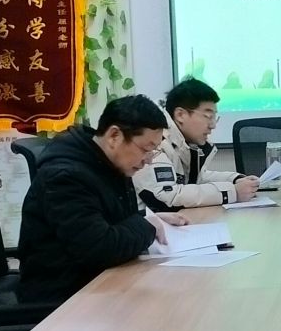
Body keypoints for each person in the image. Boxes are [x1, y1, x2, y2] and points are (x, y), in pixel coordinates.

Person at [18, 95, 189, 304]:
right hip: (63, 298)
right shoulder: (65, 176)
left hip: (97, 284)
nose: (148, 160)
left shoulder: (108, 162)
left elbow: (105, 218)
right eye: (146, 149)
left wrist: (150, 217)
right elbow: (98, 248)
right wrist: (146, 226)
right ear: (114, 136)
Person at [134, 78, 257, 210]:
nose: (213, 125)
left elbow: (198, 178)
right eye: (208, 116)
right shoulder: (157, 141)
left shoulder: (184, 144)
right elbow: (167, 197)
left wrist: (235, 179)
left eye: (214, 117)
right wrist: (232, 192)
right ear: (180, 115)